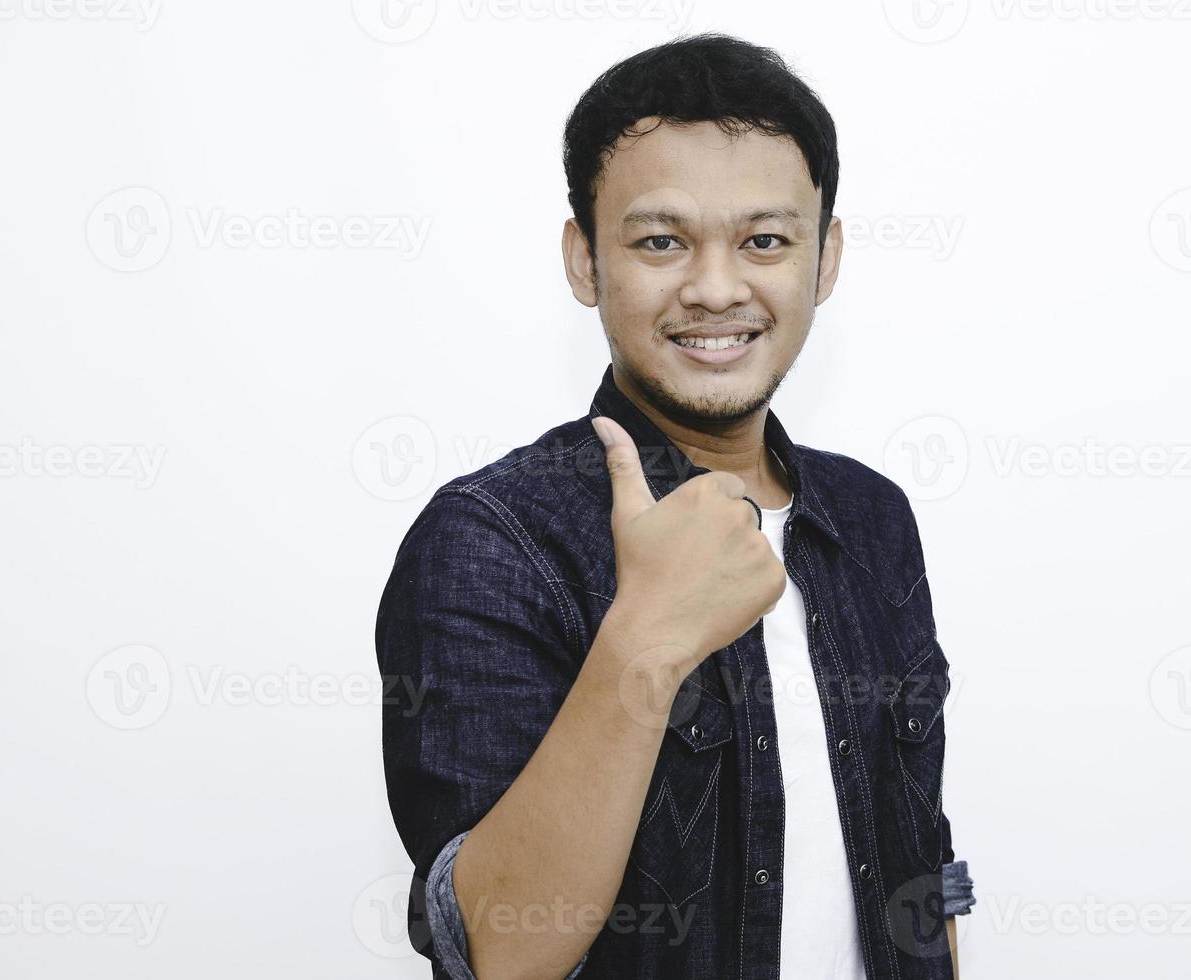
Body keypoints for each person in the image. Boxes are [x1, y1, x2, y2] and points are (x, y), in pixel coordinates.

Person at [376, 32, 974, 979]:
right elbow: (500, 950)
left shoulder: (872, 518)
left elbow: (919, 854)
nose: (715, 287)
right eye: (660, 240)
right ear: (584, 261)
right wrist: (646, 638)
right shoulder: (493, 538)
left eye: (765, 240)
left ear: (825, 260)